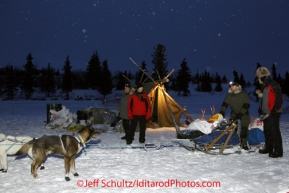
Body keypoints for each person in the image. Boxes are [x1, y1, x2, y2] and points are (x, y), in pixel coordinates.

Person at [255, 67, 283, 158]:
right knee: (267, 131)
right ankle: (269, 148)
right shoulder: (264, 86)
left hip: (273, 112)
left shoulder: (272, 84)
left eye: (260, 75)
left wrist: (275, 109)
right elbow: (265, 99)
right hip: (266, 112)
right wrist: (261, 109)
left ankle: (278, 151)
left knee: (274, 131)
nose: (259, 77)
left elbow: (279, 98)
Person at [219, 81, 251, 150]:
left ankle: (244, 144)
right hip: (234, 114)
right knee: (232, 128)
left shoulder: (243, 94)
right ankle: (234, 142)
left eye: (233, 85)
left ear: (237, 86)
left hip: (243, 114)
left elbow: (247, 105)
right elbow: (225, 104)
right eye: (230, 86)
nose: (231, 87)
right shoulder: (229, 95)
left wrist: (241, 113)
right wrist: (222, 111)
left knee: (244, 129)